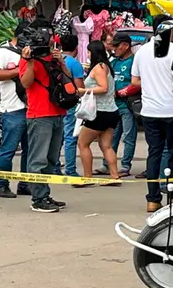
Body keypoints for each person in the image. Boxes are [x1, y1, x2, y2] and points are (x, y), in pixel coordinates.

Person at [132, 15, 173, 212]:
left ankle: (152, 199)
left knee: (154, 153)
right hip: (171, 110)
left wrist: (151, 82)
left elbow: (134, 81)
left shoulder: (141, 52)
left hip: (150, 111)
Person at [18, 24, 71, 213]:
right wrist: (30, 61)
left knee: (51, 159)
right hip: (39, 115)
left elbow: (69, 80)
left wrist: (62, 62)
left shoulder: (54, 58)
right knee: (38, 159)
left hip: (58, 113)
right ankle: (37, 199)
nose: (47, 44)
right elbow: (26, 83)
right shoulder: (27, 59)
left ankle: (45, 194)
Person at [0, 23, 31, 198]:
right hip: (11, 109)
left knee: (29, 150)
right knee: (8, 149)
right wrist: (18, 70)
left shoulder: (29, 53)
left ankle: (24, 183)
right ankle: (2, 185)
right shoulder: (3, 52)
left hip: (30, 108)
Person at [75, 41, 121, 187]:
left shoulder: (99, 68)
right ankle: (114, 175)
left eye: (89, 52)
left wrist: (84, 91)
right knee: (106, 145)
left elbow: (104, 88)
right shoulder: (107, 66)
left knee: (83, 143)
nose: (87, 55)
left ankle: (87, 177)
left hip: (99, 113)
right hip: (111, 111)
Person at [98, 32, 140, 177]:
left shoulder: (135, 61)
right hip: (113, 106)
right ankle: (107, 164)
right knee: (111, 136)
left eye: (117, 46)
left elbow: (138, 83)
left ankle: (125, 166)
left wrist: (122, 92)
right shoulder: (114, 62)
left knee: (128, 136)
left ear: (126, 45)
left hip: (127, 105)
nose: (114, 49)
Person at [59, 34, 85, 176]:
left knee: (58, 137)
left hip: (56, 102)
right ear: (76, 48)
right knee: (70, 137)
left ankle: (56, 167)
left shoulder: (56, 60)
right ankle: (70, 170)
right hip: (70, 103)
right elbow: (79, 88)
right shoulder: (75, 64)